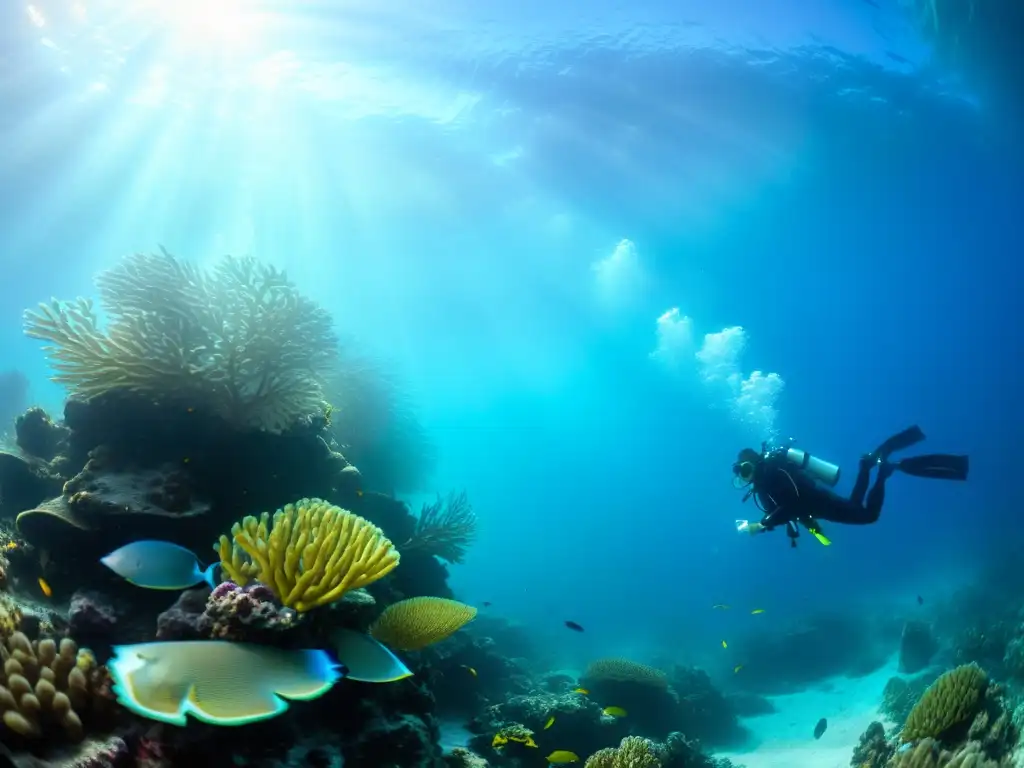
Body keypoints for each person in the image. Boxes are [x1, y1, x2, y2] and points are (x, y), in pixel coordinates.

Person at [732, 426, 969, 547]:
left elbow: (791, 504)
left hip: (816, 501)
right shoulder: (763, 484)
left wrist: (761, 524)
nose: (746, 477)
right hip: (816, 505)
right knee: (856, 506)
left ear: (753, 463)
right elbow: (787, 511)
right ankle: (867, 466)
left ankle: (882, 471)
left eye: (746, 469)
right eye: (742, 474)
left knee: (868, 515)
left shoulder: (772, 471)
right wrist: (803, 530)